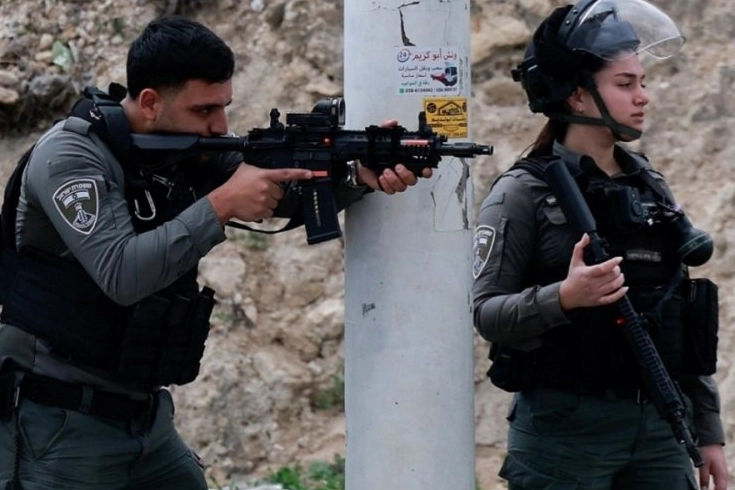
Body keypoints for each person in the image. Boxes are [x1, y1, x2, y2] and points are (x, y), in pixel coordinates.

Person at [0, 15, 431, 490]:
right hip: (57, 419)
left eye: (224, 106)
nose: (221, 125)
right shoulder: (71, 157)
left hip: (142, 415)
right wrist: (222, 204)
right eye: (204, 109)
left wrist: (353, 173)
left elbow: (284, 194)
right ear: (150, 102)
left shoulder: (185, 148)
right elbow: (122, 273)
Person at [472, 0, 729, 489]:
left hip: (660, 428)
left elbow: (682, 319)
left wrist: (708, 432)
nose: (643, 97)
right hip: (564, 434)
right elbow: (486, 313)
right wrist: (565, 297)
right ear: (576, 97)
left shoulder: (650, 187)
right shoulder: (522, 191)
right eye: (625, 84)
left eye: (642, 82)